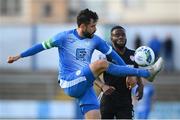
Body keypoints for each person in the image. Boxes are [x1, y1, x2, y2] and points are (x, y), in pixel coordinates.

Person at [7, 9, 163, 119]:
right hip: (69, 81)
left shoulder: (96, 40)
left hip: (85, 86)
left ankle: (145, 74)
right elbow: (40, 46)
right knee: (101, 63)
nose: (95, 29)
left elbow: (114, 56)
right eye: (92, 26)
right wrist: (19, 56)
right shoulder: (63, 37)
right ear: (82, 26)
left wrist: (129, 73)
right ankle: (148, 74)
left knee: (94, 117)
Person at [95, 26, 144, 119]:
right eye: (117, 35)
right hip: (108, 100)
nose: (120, 37)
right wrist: (102, 86)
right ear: (111, 38)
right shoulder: (105, 56)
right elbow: (93, 75)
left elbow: (137, 72)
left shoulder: (134, 55)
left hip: (125, 101)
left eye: (123, 35)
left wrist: (141, 85)